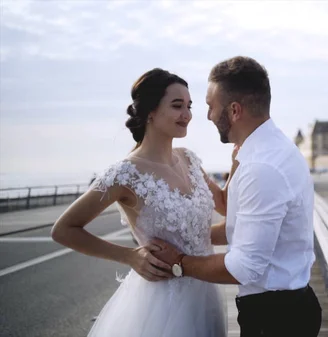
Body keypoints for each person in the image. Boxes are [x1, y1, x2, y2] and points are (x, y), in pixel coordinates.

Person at [51, 68, 234, 337]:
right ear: (150, 111)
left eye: (189, 106)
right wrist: (129, 256)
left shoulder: (189, 159)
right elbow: (64, 229)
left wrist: (239, 162)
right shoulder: (126, 173)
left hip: (206, 292)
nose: (187, 115)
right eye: (176, 106)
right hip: (161, 304)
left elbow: (224, 205)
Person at [151, 56, 322, 337]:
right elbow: (242, 227)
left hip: (276, 320)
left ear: (233, 110)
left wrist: (178, 261)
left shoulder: (262, 167)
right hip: (286, 309)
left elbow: (245, 267)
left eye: (210, 106)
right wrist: (193, 235)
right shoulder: (268, 149)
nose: (205, 115)